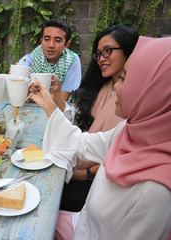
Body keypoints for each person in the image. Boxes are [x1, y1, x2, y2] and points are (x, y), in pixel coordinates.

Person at [29, 36, 171, 239]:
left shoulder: (158, 192)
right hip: (82, 224)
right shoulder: (130, 130)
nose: (115, 87)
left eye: (123, 78)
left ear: (154, 92)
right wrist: (49, 104)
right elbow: (84, 143)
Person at [55, 25, 139, 212]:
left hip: (104, 180)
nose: (101, 58)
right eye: (98, 53)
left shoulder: (138, 99)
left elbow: (126, 155)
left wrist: (82, 175)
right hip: (78, 161)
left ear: (131, 50)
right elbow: (76, 119)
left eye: (107, 51)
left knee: (55, 199)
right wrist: (55, 96)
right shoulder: (102, 86)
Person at [18, 19, 81, 101]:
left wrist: (31, 93)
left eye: (57, 40)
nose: (51, 45)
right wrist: (14, 73)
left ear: (66, 45)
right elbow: (18, 74)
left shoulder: (72, 60)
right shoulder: (33, 57)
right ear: (42, 41)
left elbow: (63, 97)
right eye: (47, 39)